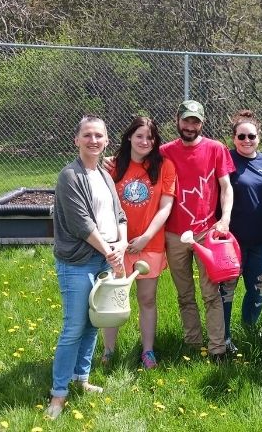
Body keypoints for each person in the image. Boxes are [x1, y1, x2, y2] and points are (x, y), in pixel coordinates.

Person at [47, 114, 127, 419]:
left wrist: (121, 244)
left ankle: (81, 380)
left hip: (104, 256)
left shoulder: (105, 175)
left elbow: (119, 216)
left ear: (107, 141)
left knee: (94, 323)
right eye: (88, 135)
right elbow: (82, 224)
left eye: (99, 136)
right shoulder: (70, 176)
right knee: (73, 326)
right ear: (77, 140)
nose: (94, 141)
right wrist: (111, 253)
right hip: (78, 262)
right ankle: (58, 394)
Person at [161, 100, 236, 360]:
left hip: (206, 232)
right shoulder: (165, 152)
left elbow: (226, 187)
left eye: (195, 121)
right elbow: (137, 162)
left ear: (202, 123)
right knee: (184, 294)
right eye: (186, 120)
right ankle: (192, 343)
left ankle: (217, 348)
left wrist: (224, 219)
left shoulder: (216, 149)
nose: (190, 126)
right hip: (174, 233)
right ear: (177, 120)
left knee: (211, 293)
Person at [102, 116, 175, 369]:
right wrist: (119, 241)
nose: (145, 141)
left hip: (150, 244)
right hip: (116, 244)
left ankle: (148, 351)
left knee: (147, 299)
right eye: (140, 136)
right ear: (129, 137)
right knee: (113, 297)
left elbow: (166, 207)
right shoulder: (113, 166)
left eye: (150, 137)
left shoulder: (164, 166)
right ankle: (109, 350)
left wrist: (145, 237)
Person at [222, 110, 262, 351]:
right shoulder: (225, 160)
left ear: (259, 137)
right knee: (226, 291)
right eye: (241, 137)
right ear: (233, 138)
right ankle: (223, 336)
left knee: (259, 289)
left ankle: (249, 329)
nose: (247, 141)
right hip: (230, 241)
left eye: (251, 136)